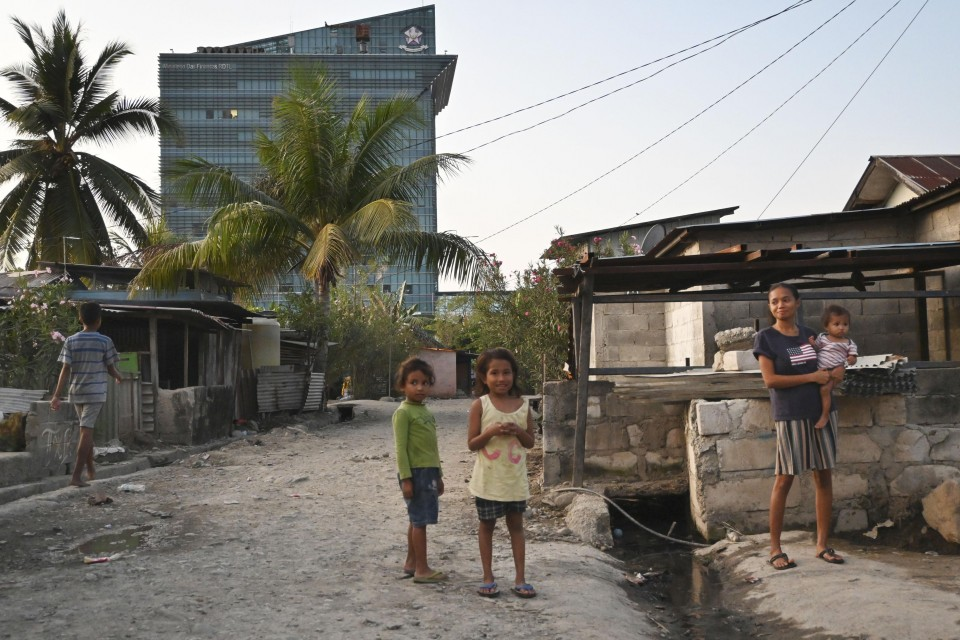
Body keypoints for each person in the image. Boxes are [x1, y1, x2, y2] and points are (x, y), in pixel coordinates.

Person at [753, 283, 845, 569]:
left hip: (821, 413)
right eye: (774, 302)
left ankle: (821, 545)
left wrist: (836, 372)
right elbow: (770, 381)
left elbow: (829, 361)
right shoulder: (765, 338)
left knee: (824, 477)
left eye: (786, 300)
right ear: (770, 307)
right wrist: (811, 379)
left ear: (797, 302)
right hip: (790, 414)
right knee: (784, 479)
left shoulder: (809, 335)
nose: (780, 305)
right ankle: (775, 550)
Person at [467, 348, 537, 598]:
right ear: (484, 378)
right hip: (487, 481)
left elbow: (530, 443)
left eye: (506, 372)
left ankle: (521, 578)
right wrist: (491, 432)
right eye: (494, 373)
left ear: (513, 375)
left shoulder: (523, 405)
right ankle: (488, 576)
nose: (501, 378)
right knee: (486, 526)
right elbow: (472, 444)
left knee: (516, 527)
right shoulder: (480, 405)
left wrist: (518, 431)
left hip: (514, 481)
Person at [51, 302, 122, 488]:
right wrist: (118, 377)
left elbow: (65, 370)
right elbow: (110, 367)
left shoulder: (71, 341)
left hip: (77, 392)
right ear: (99, 320)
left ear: (80, 319)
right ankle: (76, 475)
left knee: (86, 430)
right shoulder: (105, 341)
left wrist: (56, 395)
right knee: (86, 431)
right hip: (96, 393)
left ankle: (90, 469)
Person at [392, 357, 446, 584]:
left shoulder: (425, 412)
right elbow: (400, 450)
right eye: (413, 382)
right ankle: (422, 569)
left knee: (416, 519)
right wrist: (406, 479)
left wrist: (439, 475)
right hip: (416, 473)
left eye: (425, 382)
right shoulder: (403, 413)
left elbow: (432, 447)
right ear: (402, 385)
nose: (420, 387)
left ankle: (411, 562)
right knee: (420, 521)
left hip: (428, 472)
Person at [809, 305, 858, 429]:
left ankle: (825, 416)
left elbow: (853, 358)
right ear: (827, 326)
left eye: (845, 324)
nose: (841, 328)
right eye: (836, 324)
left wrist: (851, 359)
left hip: (835, 372)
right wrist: (812, 344)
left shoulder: (848, 343)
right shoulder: (822, 338)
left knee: (825, 390)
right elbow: (816, 348)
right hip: (820, 371)